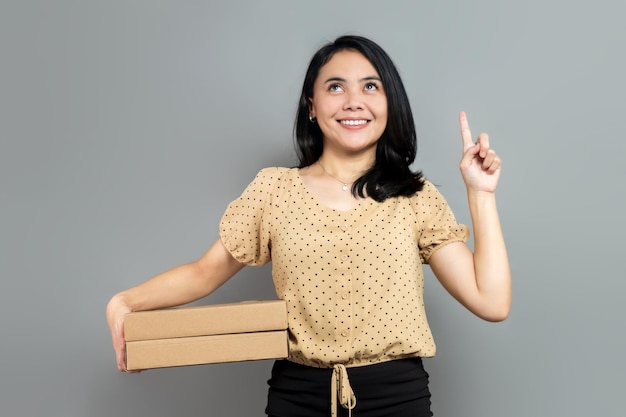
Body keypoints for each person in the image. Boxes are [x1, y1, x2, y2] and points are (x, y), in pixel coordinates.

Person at [106, 35, 511, 417]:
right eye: (336, 87)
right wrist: (125, 302)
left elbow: (491, 302)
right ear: (312, 106)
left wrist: (481, 194)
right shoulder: (273, 190)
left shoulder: (414, 196)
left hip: (397, 398)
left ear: (391, 104)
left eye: (371, 87)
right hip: (297, 398)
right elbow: (202, 273)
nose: (354, 102)